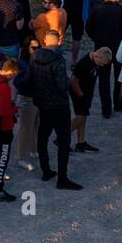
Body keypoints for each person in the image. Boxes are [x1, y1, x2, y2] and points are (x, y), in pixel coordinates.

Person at [28, 30, 83, 190]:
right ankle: (62, 178)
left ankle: (46, 170)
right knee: (64, 141)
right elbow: (61, 85)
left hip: (42, 103)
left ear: (44, 41)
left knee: (43, 136)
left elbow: (30, 79)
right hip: (59, 105)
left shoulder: (35, 57)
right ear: (58, 41)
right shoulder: (58, 60)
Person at [70, 47, 112, 153]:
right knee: (80, 117)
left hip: (86, 93)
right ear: (97, 56)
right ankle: (62, 136)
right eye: (102, 63)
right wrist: (81, 96)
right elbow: (73, 81)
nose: (101, 65)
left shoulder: (95, 61)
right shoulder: (84, 63)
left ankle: (81, 143)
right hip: (78, 93)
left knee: (83, 116)